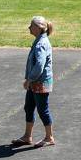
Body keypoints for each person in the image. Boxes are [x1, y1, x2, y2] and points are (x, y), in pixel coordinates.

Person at [12, 16, 55, 148]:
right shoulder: (39, 40)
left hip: (40, 82)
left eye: (31, 25)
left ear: (38, 28)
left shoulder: (41, 44)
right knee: (29, 107)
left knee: (43, 110)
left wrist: (29, 79)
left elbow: (39, 66)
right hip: (35, 82)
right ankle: (27, 136)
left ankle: (49, 137)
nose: (29, 27)